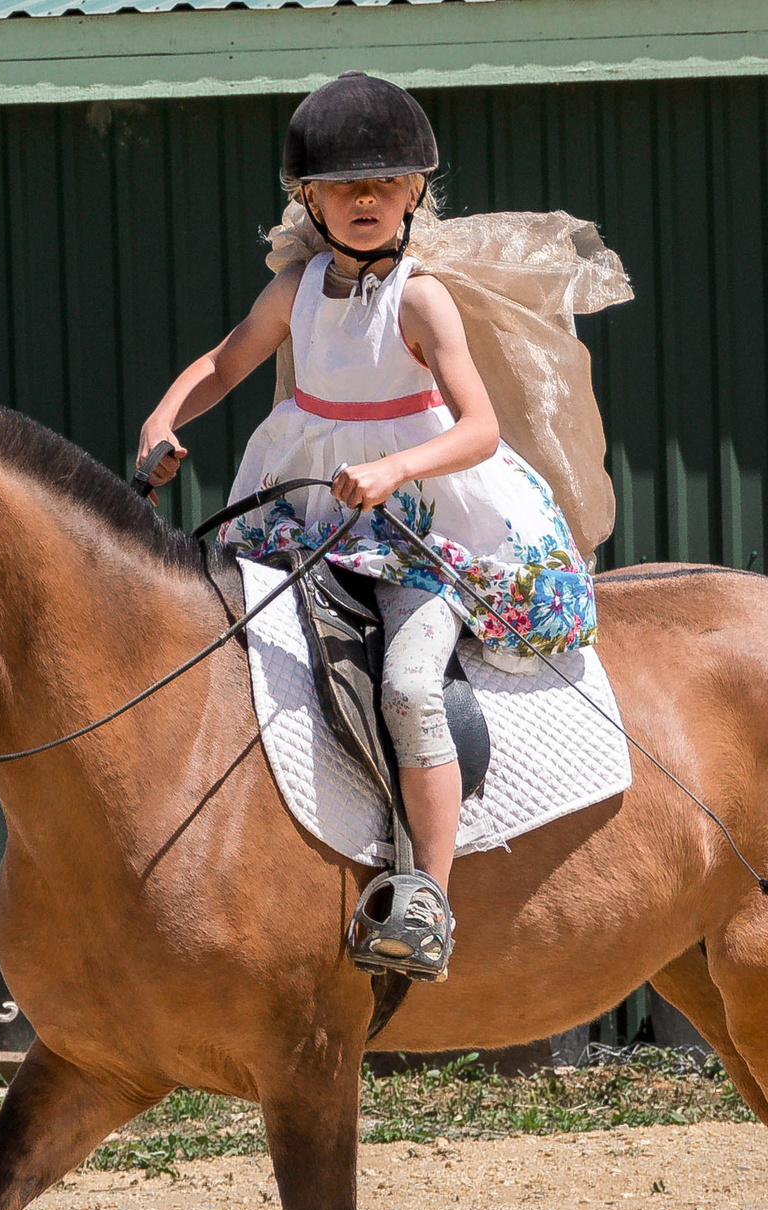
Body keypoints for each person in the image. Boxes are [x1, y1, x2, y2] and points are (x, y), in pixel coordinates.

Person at [135, 71, 599, 982]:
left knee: (410, 684)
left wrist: (395, 469)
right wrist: (163, 418)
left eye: (385, 183)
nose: (364, 199)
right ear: (309, 199)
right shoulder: (296, 289)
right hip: (308, 509)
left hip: (423, 523)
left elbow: (480, 428)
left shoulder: (422, 299)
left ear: (414, 192)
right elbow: (224, 365)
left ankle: (428, 898)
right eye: (343, 186)